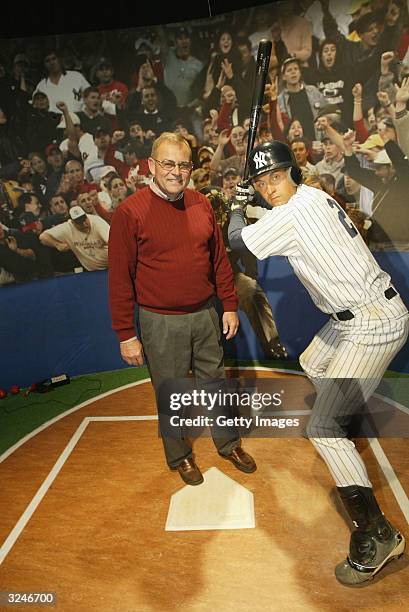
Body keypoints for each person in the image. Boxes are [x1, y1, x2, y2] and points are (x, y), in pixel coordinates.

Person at [228, 139, 408, 585]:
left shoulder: (295, 210)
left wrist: (236, 205)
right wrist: (249, 200)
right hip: (354, 318)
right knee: (313, 360)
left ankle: (377, 533)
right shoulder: (311, 196)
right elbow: (270, 219)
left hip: (372, 323)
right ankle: (344, 416)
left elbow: (238, 242)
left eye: (275, 176)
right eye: (261, 181)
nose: (269, 187)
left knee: (322, 428)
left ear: (293, 172)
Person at [108, 132, 256, 486]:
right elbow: (119, 279)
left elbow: (219, 259)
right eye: (168, 163)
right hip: (159, 321)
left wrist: (229, 305)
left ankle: (228, 443)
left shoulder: (201, 204)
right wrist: (126, 333)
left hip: (205, 313)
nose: (176, 171)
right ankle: (179, 456)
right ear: (151, 165)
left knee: (216, 383)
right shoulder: (130, 212)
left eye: (184, 164)